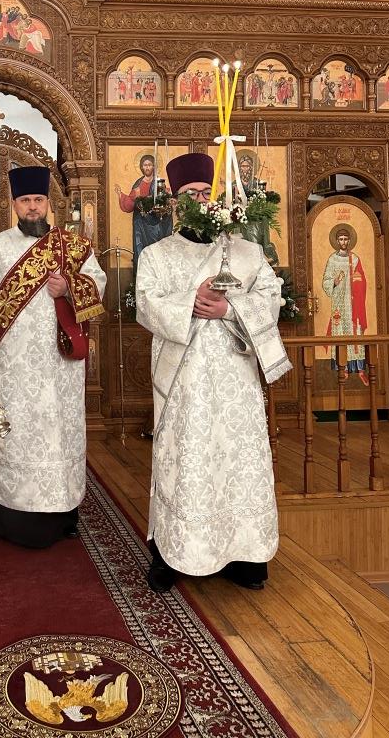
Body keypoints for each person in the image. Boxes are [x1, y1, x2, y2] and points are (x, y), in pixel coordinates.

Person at [135, 152, 291, 593]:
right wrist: (191, 302)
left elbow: (272, 298)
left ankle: (245, 555)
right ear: (175, 202)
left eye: (206, 192)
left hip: (236, 379)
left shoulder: (247, 252)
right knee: (185, 460)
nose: (200, 200)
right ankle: (174, 552)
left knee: (238, 460)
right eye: (190, 194)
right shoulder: (157, 255)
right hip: (184, 383)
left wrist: (229, 308)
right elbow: (145, 304)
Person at [0, 166, 106, 548]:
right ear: (14, 204)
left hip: (58, 366)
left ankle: (63, 513)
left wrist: (69, 288)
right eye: (25, 201)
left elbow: (98, 285)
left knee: (57, 436)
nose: (32, 207)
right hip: (11, 364)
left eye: (38, 200)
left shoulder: (73, 246)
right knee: (10, 435)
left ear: (49, 203)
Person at [322, 225, 368, 385]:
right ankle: (343, 368)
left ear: (349, 241)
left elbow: (362, 279)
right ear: (336, 241)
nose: (343, 242)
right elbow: (326, 280)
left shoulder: (354, 259)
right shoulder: (332, 259)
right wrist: (335, 281)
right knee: (340, 333)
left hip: (354, 304)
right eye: (340, 239)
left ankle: (360, 370)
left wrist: (356, 280)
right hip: (339, 304)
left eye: (345, 239)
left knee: (356, 333)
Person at [115, 154, 171, 273]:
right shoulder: (138, 184)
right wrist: (121, 195)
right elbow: (130, 203)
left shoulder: (158, 183)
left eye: (149, 165)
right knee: (141, 249)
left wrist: (167, 196)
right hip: (140, 224)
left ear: (153, 166)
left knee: (156, 250)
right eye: (145, 165)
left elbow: (163, 202)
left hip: (156, 223)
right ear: (141, 167)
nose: (147, 167)